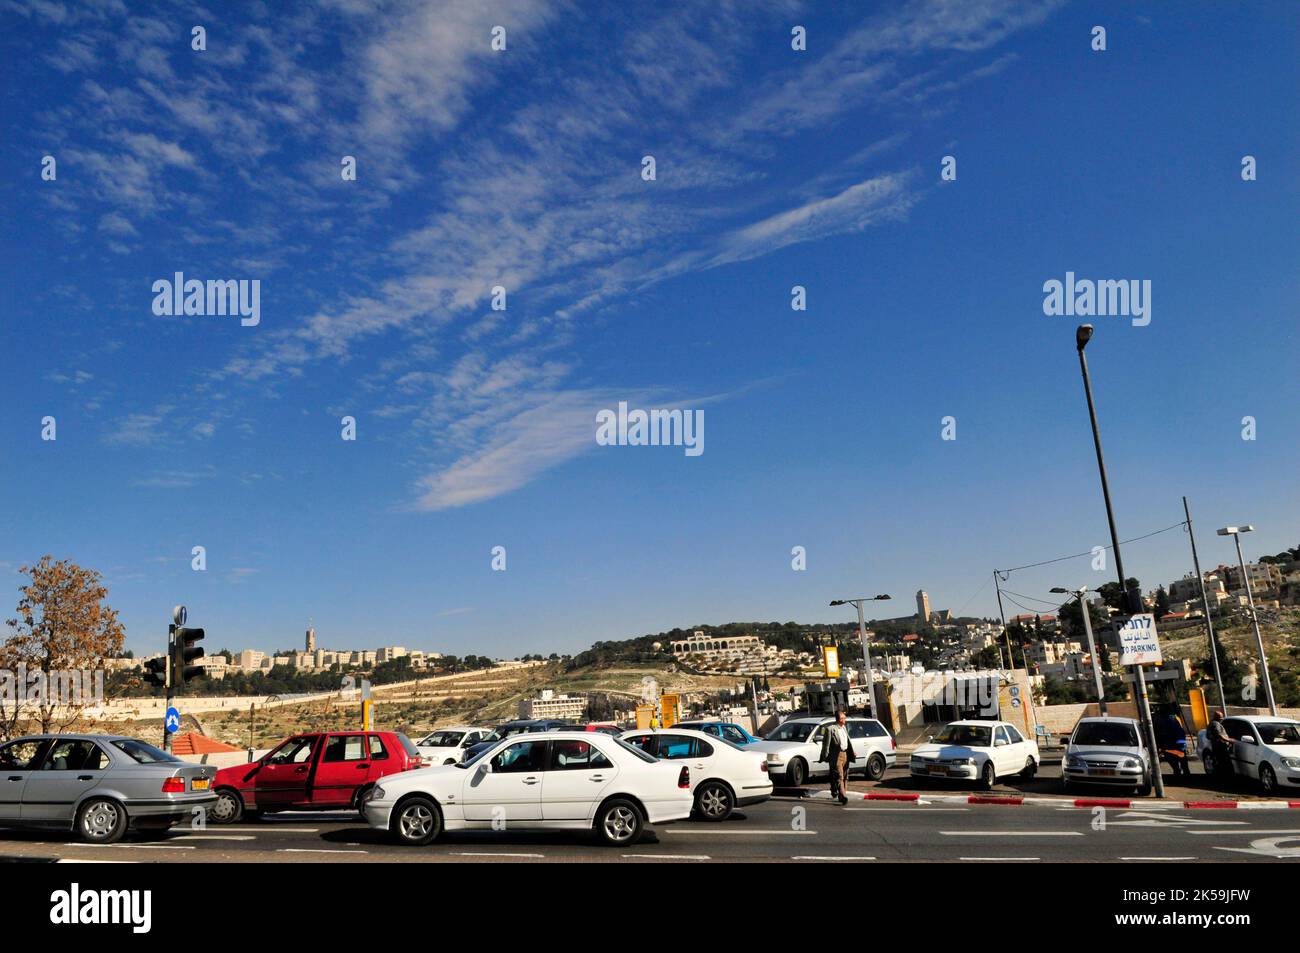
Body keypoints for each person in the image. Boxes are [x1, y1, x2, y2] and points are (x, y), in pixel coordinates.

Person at [819, 709, 857, 805]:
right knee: (839, 776)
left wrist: (852, 752)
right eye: (844, 718)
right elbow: (825, 745)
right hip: (836, 756)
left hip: (845, 755)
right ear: (839, 719)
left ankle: (839, 793)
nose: (845, 719)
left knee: (844, 776)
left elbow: (847, 742)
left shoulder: (844, 728)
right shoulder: (830, 729)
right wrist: (826, 757)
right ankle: (843, 795)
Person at [1155, 705, 1190, 778]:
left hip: (1171, 741)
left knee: (1170, 757)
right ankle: (1185, 773)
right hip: (1180, 740)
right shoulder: (1174, 717)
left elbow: (1163, 732)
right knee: (1182, 757)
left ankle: (1178, 771)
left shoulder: (1164, 719)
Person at [1207, 709, 1235, 780]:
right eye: (1220, 718)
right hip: (1220, 747)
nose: (1221, 720)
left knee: (1219, 763)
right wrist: (1230, 740)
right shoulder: (1216, 724)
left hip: (1216, 747)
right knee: (1225, 763)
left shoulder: (1211, 723)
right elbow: (1219, 735)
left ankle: (1221, 777)